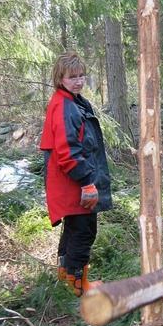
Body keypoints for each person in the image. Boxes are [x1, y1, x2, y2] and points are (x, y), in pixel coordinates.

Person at [40, 52, 112, 297]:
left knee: (73, 229)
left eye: (82, 75)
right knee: (83, 230)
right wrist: (87, 183)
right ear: (60, 78)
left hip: (69, 180)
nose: (79, 81)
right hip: (70, 181)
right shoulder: (64, 105)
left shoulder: (73, 101)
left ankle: (65, 276)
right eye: (73, 77)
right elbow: (67, 151)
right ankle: (78, 286)